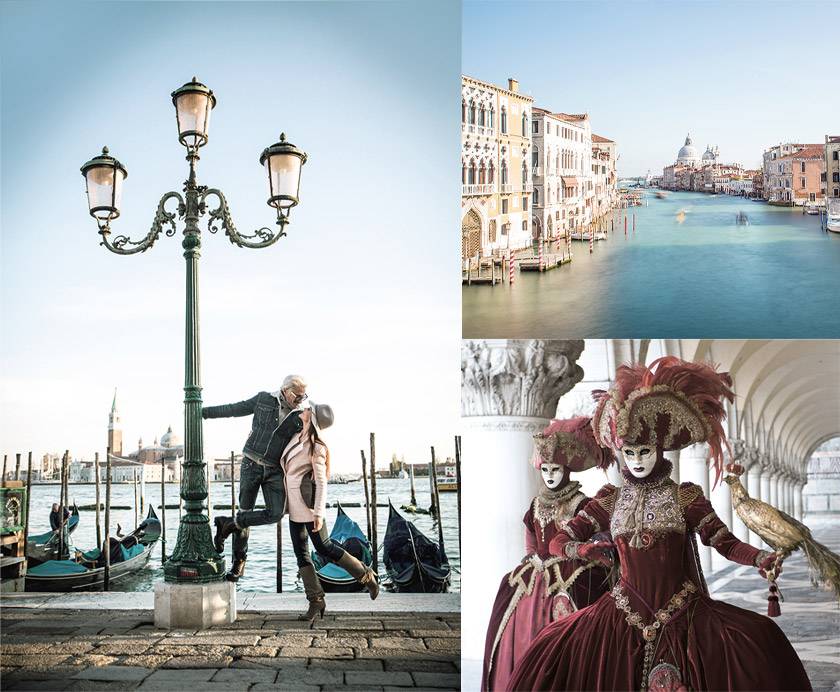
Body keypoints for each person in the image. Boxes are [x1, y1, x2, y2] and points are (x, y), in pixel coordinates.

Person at [509, 356, 811, 692]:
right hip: (620, 612)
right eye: (631, 453)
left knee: (758, 641)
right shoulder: (610, 498)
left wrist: (759, 558)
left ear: (660, 450)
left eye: (645, 451)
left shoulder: (685, 497)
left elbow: (724, 542)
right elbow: (558, 542)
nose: (637, 460)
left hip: (683, 612)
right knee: (552, 648)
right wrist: (583, 548)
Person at [481, 416, 614, 692]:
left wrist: (582, 553)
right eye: (546, 470)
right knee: (508, 602)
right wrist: (531, 558)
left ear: (567, 470)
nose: (550, 475)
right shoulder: (536, 504)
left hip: (571, 570)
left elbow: (599, 536)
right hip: (533, 576)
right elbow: (531, 539)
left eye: (556, 469)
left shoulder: (582, 503)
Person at [203, 374, 308, 582]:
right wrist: (204, 412)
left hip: (275, 470)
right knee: (246, 511)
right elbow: (235, 409)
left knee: (276, 513)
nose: (300, 401)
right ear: (285, 390)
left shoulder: (300, 416)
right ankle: (238, 562)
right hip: (250, 464)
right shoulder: (263, 399)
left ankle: (228, 523)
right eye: (297, 396)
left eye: (303, 397)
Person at [284, 405, 379, 620]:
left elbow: (321, 482)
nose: (305, 408)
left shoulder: (317, 447)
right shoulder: (296, 437)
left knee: (324, 547)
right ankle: (316, 601)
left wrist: (318, 513)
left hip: (309, 506)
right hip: (294, 505)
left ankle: (366, 575)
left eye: (310, 409)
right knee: (301, 553)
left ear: (313, 418)